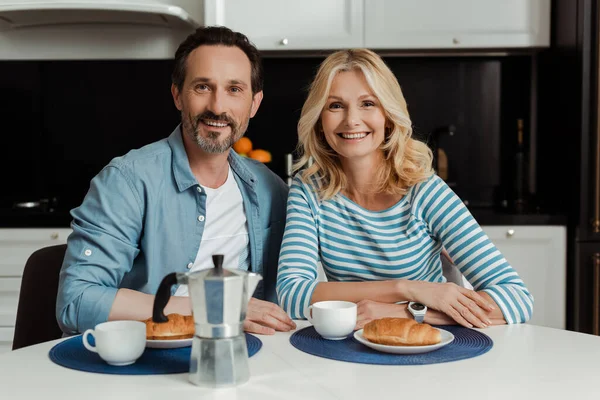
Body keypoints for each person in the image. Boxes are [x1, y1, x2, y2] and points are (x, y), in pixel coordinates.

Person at [56, 26, 296, 336]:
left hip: (239, 357)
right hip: (144, 358)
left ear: (254, 103)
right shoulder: (127, 182)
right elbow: (76, 301)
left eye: (234, 89)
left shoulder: (270, 189)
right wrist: (218, 306)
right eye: (202, 87)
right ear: (177, 95)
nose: (217, 107)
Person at [276, 49, 533, 329]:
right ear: (319, 119)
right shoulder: (308, 190)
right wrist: (407, 289)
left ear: (388, 115)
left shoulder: (424, 192)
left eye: (368, 103)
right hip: (350, 349)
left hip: (428, 346)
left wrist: (404, 313)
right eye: (335, 105)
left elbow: (516, 298)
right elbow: (292, 294)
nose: (351, 120)